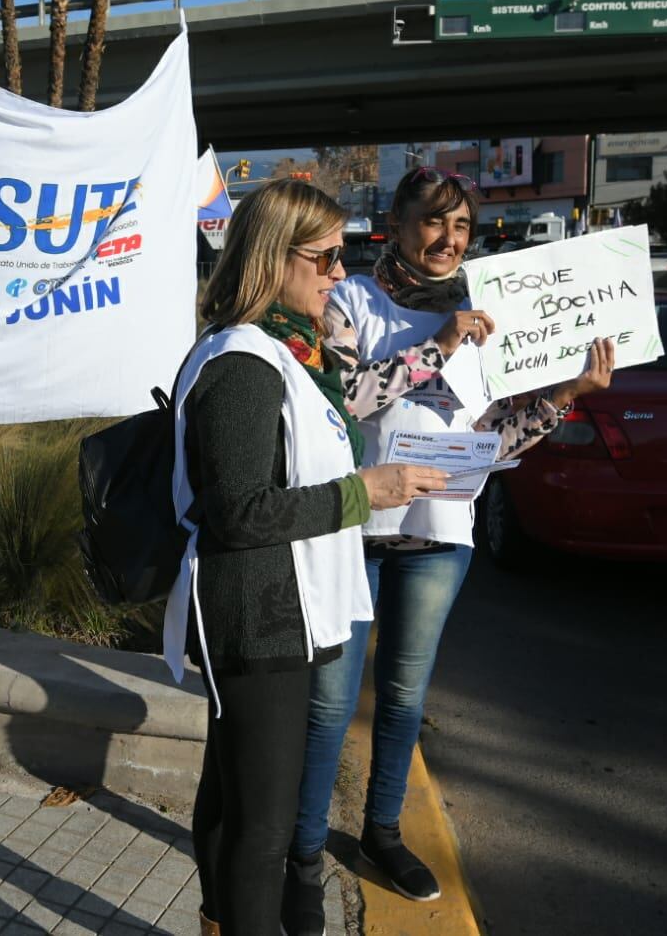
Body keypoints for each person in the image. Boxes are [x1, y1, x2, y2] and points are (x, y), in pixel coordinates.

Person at [281, 167, 614, 931]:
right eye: (433, 223)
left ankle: (382, 834)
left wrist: (564, 397)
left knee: (404, 699)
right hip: (351, 528)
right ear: (394, 225)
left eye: (460, 227)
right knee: (328, 705)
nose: (447, 239)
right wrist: (434, 346)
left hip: (438, 537)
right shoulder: (348, 301)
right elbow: (344, 398)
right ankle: (301, 856)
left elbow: (493, 441)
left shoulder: (490, 315)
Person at [166, 178, 450, 936]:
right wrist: (365, 491)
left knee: (232, 805)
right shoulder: (242, 362)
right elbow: (239, 511)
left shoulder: (284, 353)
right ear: (273, 258)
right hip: (258, 617)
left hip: (278, 609)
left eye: (342, 256)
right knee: (261, 826)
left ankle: (215, 921)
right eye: (324, 257)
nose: (337, 274)